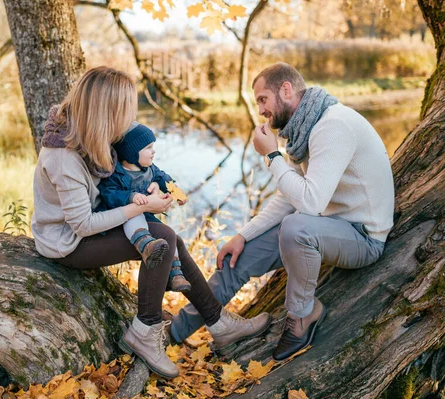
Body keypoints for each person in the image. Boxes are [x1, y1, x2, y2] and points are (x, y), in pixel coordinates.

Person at [31, 66, 271, 379]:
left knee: (171, 238)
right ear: (107, 112)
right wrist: (138, 209)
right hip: (68, 243)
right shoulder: (64, 157)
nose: (128, 120)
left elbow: (134, 170)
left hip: (94, 224)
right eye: (124, 112)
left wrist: (153, 189)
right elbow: (83, 225)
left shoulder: (94, 132)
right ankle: (147, 328)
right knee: (164, 240)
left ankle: (217, 322)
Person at [169, 62, 394, 361]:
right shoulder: (305, 129)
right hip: (323, 227)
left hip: (362, 238)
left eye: (263, 99)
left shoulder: (333, 125)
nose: (260, 110)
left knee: (295, 227)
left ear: (286, 90)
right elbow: (290, 198)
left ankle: (303, 314)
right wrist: (242, 235)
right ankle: (171, 333)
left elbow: (309, 203)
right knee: (237, 257)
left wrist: (273, 156)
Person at [97, 122, 191, 293]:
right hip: (126, 217)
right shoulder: (117, 174)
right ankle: (145, 245)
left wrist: (176, 192)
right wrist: (130, 196)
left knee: (168, 233)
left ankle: (176, 273)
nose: (153, 151)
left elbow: (164, 177)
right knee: (135, 217)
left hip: (147, 215)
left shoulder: (149, 169)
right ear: (132, 153)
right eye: (148, 148)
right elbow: (108, 193)